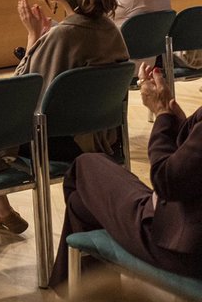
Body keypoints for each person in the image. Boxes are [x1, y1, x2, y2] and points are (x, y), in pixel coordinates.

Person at [0, 0, 129, 234]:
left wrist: (32, 37)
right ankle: (0, 206)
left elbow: (22, 92)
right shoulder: (109, 27)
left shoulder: (64, 34)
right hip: (102, 135)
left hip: (57, 141)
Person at [48, 63, 202, 289]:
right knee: (80, 203)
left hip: (180, 245)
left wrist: (161, 116)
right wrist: (173, 118)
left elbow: (166, 180)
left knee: (86, 166)